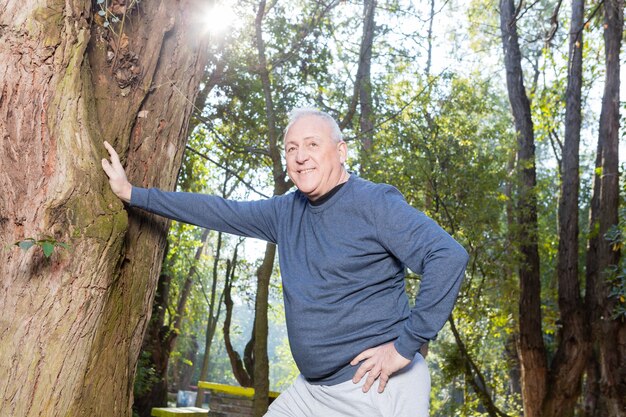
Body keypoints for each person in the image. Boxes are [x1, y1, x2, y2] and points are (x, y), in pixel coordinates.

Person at [102, 108, 468, 417]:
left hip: (377, 388)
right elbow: (218, 210)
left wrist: (406, 345)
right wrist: (133, 193)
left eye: (312, 144)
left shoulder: (374, 203)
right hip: (313, 392)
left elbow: (447, 255)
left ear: (341, 151)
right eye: (292, 148)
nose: (300, 155)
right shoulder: (286, 211)